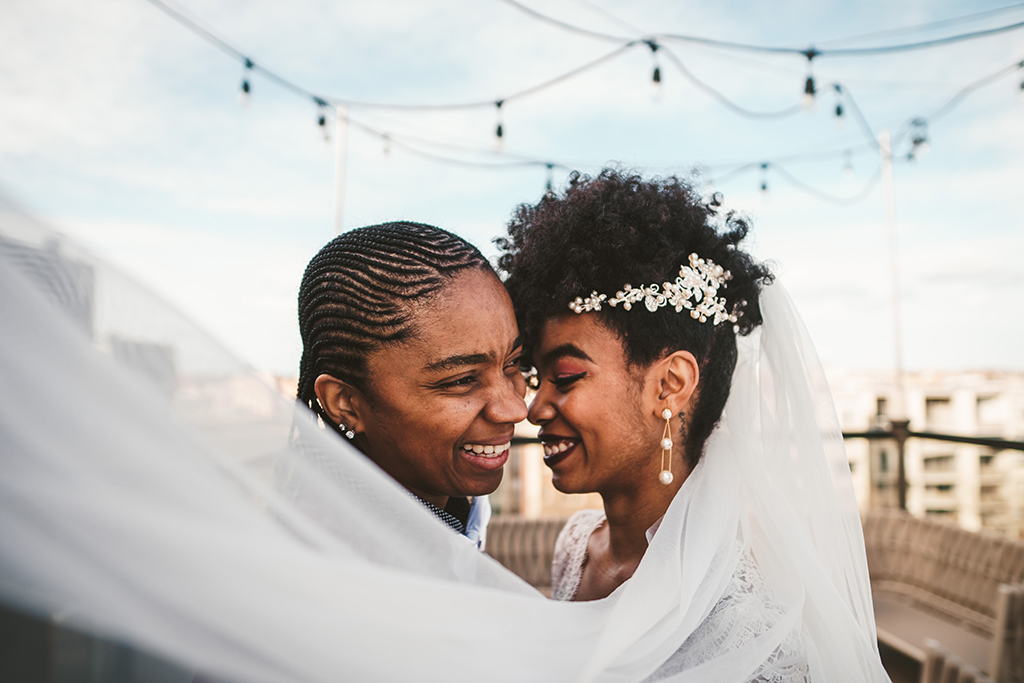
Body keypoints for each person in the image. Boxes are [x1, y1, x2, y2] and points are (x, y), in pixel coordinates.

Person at [498, 168, 890, 680]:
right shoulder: (575, 545)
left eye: (567, 376)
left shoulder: (749, 627)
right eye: (536, 377)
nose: (535, 408)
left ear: (670, 384)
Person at [295, 221, 528, 545]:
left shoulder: (454, 516)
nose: (516, 409)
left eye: (512, 363)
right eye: (462, 380)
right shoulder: (334, 572)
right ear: (345, 402)